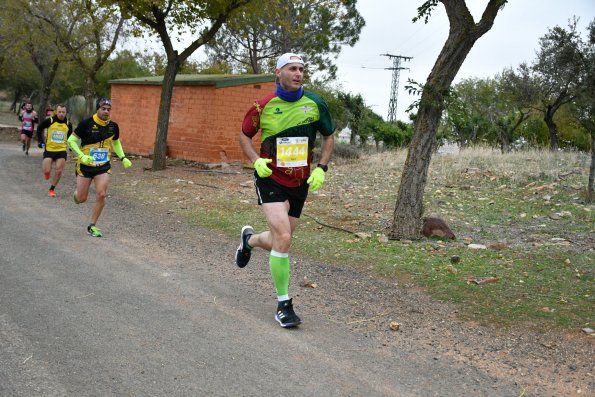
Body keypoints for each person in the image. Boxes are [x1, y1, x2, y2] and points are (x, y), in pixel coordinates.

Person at [236, 53, 335, 328]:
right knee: (283, 236)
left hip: (300, 181)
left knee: (282, 238)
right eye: (292, 68)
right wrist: (256, 160)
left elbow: (329, 136)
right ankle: (284, 305)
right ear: (278, 73)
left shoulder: (315, 103)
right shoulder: (263, 105)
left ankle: (251, 241)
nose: (298, 73)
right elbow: (244, 135)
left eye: (302, 69)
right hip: (271, 178)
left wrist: (321, 168)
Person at [67, 97, 132, 237]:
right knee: (81, 198)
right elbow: (71, 141)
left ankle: (92, 225)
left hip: (103, 165)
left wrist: (123, 157)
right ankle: (77, 195)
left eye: (108, 109)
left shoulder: (113, 126)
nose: (106, 112)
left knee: (101, 194)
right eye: (103, 109)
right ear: (98, 109)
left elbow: (116, 143)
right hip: (85, 165)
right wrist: (81, 156)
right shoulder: (86, 124)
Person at [35, 104, 73, 197]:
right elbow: (39, 128)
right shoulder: (50, 121)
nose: (61, 114)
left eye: (63, 112)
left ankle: (52, 189)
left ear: (66, 113)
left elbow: (70, 136)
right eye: (59, 112)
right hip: (49, 150)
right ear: (56, 112)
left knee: (59, 170)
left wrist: (70, 145)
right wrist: (40, 141)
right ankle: (47, 173)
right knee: (47, 170)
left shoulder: (68, 124)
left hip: (61, 151)